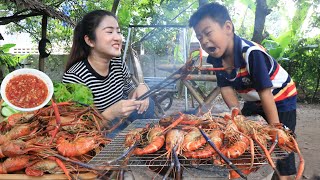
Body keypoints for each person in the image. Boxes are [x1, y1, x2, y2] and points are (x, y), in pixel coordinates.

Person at [189, 3, 298, 180]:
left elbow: (265, 93)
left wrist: (275, 128)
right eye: (199, 37)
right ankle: (247, 165)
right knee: (242, 131)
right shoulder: (217, 59)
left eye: (208, 33)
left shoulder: (251, 53)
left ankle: (283, 175)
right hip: (254, 99)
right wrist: (235, 111)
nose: (204, 41)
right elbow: (226, 88)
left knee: (280, 142)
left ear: (227, 28)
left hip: (279, 98)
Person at [62, 10, 154, 138]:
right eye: (109, 32)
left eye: (118, 31)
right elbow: (78, 130)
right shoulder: (75, 77)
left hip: (121, 125)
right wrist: (111, 113)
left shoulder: (117, 63)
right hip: (97, 137)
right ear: (90, 41)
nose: (118, 37)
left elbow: (130, 92)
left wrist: (141, 89)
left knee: (149, 102)